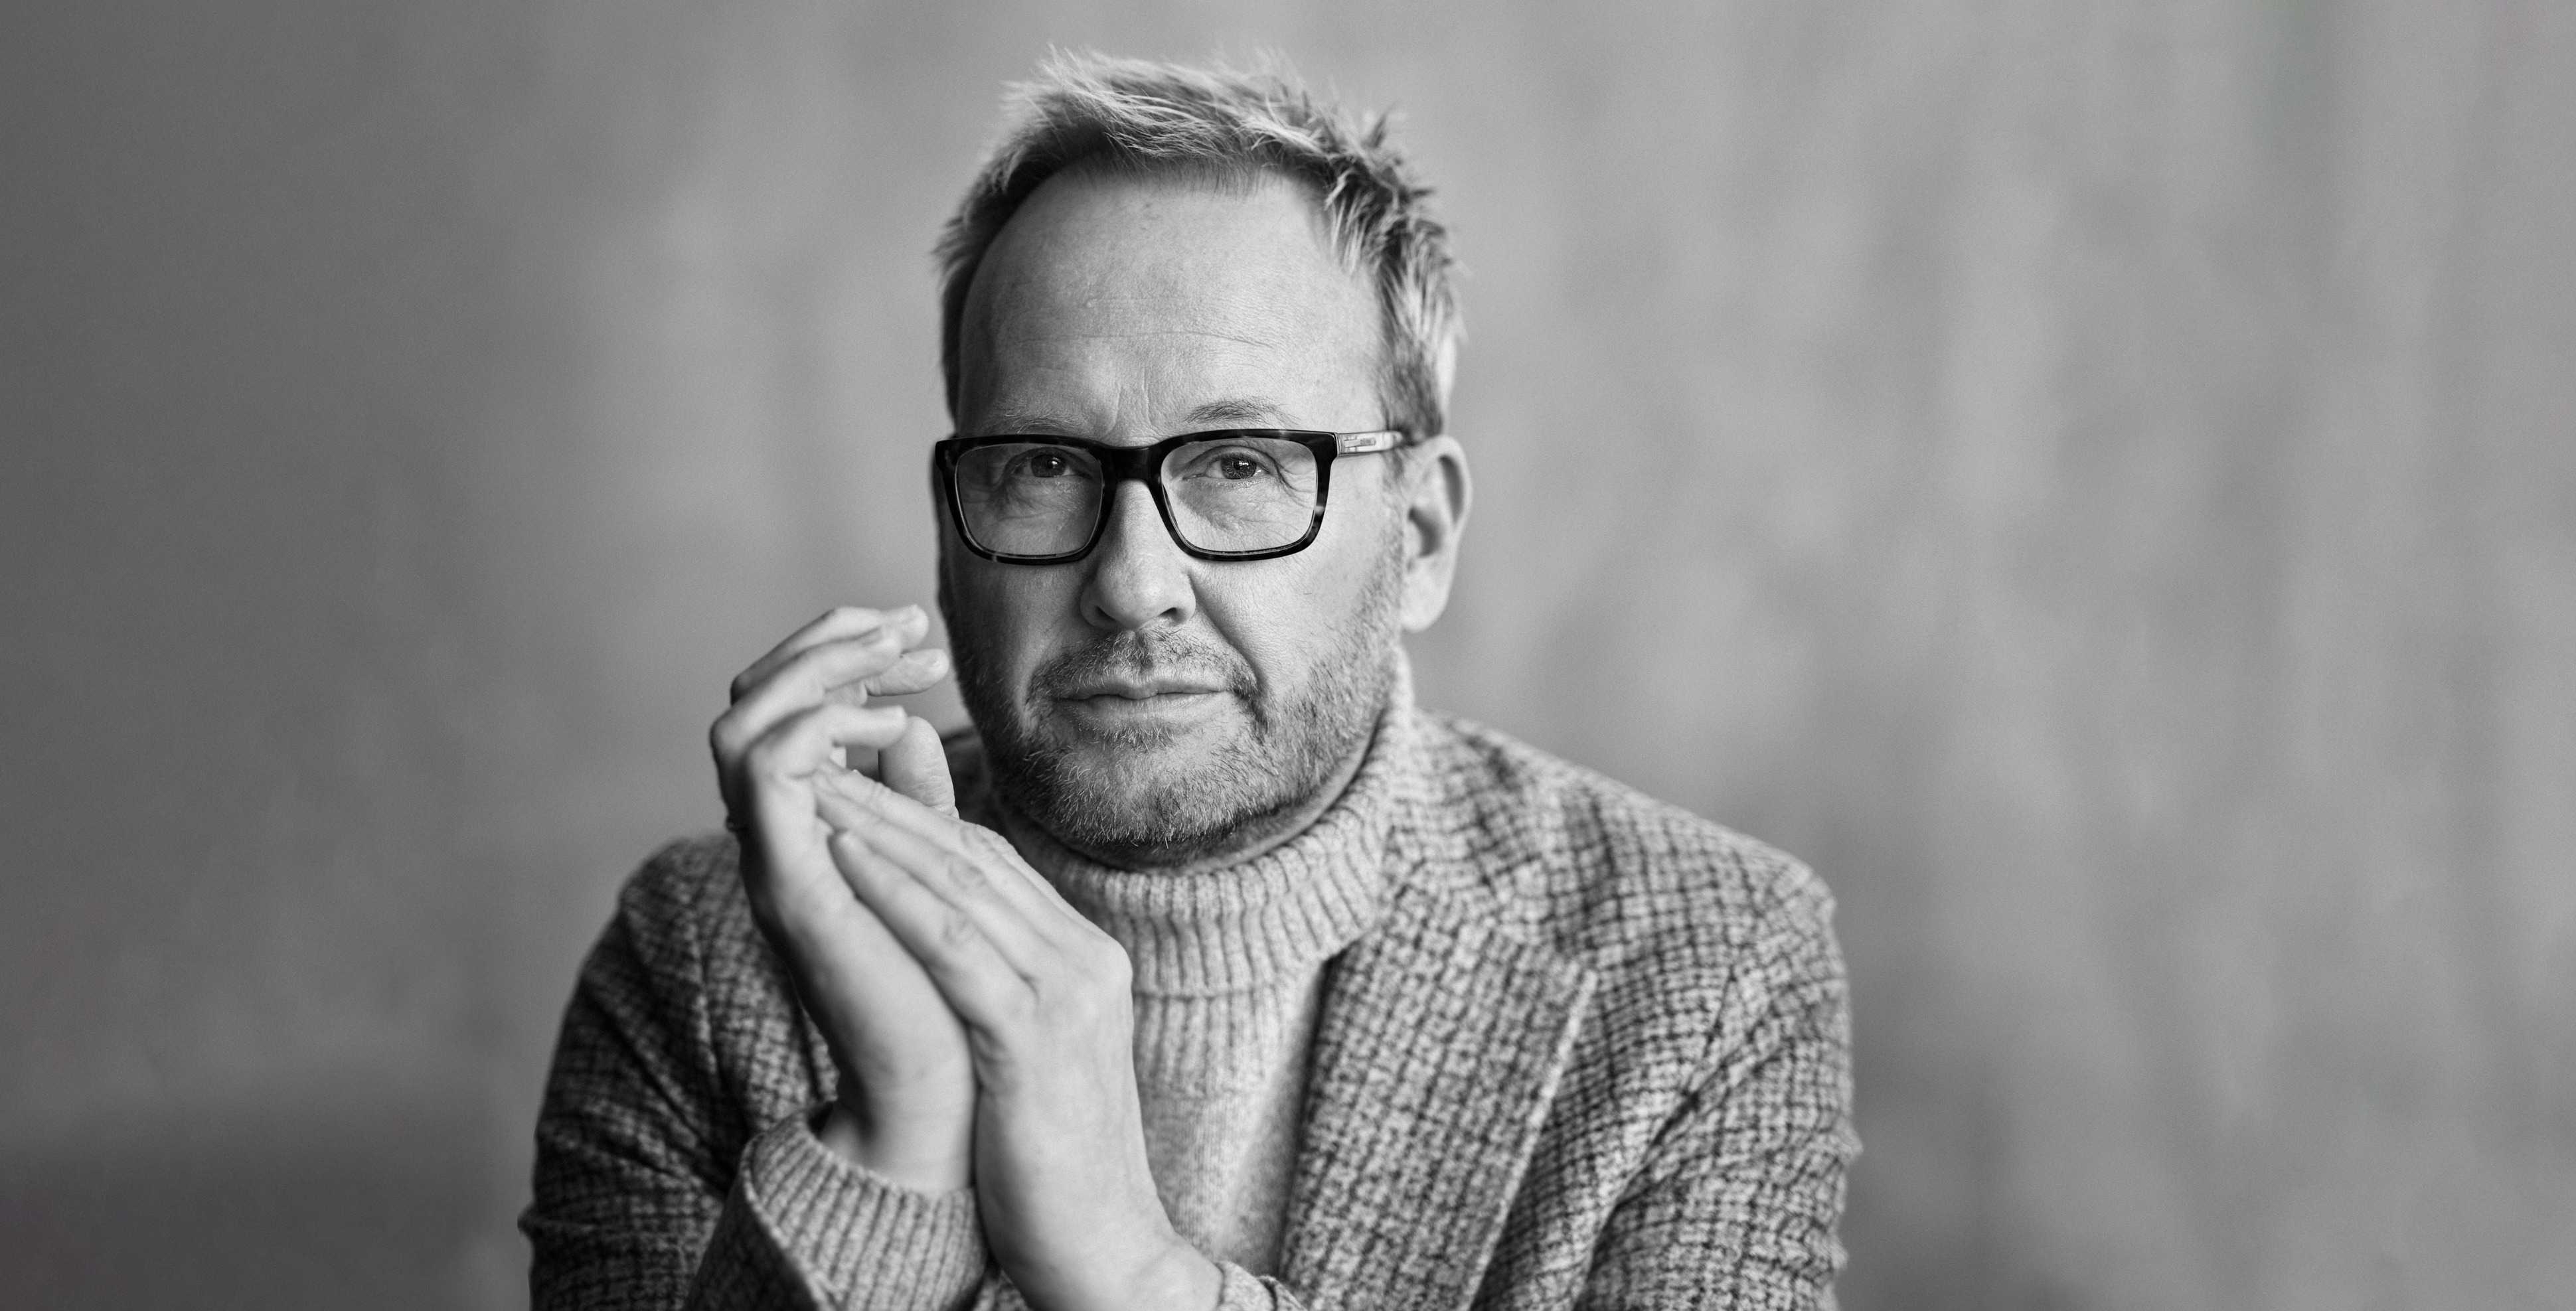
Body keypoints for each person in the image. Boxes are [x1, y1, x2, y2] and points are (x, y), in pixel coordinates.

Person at [522, 52, 1856, 1311]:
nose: (1130, 581)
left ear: (1420, 537)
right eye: (1044, 466)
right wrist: (898, 1139)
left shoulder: (1709, 965)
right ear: (949, 535)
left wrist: (1126, 1269)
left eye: (1239, 465)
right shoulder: (704, 956)